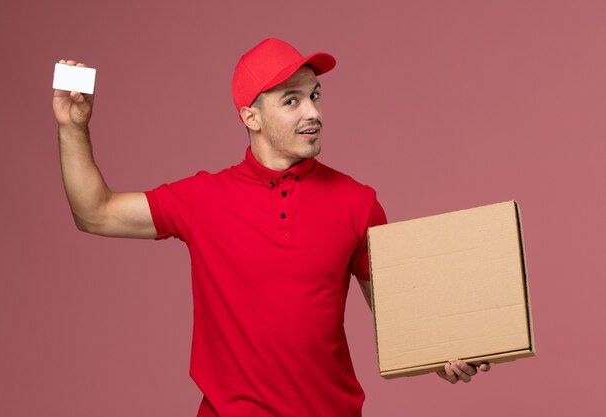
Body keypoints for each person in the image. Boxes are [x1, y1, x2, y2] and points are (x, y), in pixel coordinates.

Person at [53, 38, 490, 417]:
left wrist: (443, 354)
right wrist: (73, 128)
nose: (313, 112)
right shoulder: (203, 199)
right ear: (251, 117)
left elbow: (399, 319)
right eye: (292, 100)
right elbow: (95, 212)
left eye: (316, 95)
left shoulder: (357, 202)